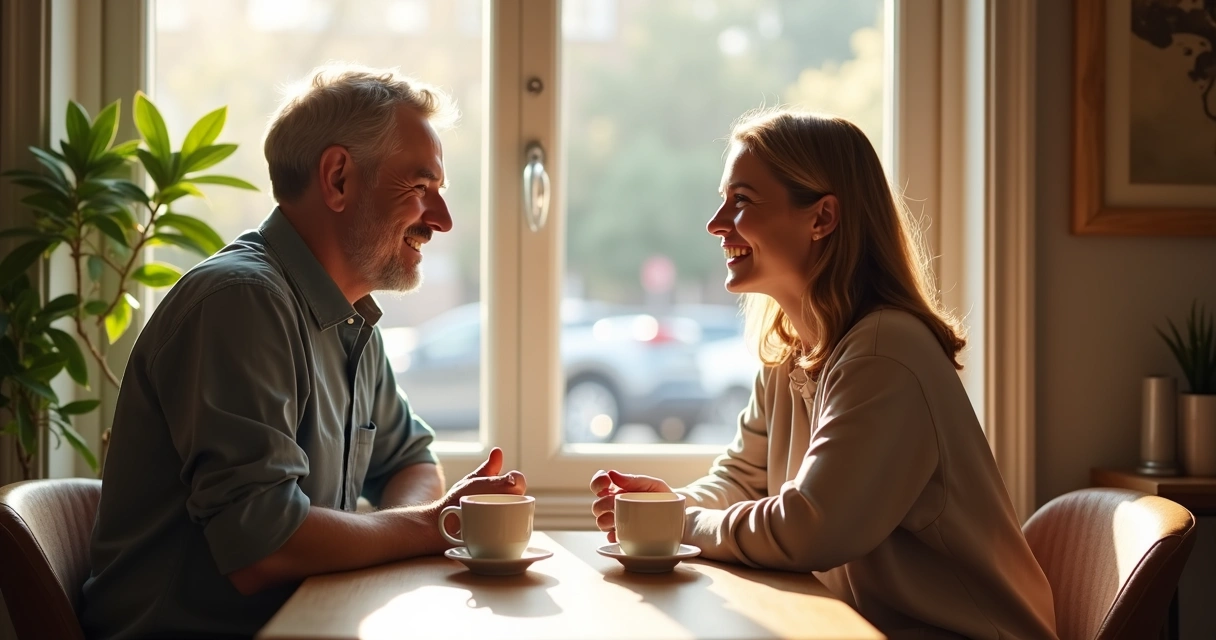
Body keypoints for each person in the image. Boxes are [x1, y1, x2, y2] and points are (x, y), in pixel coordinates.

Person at [80, 64, 526, 639]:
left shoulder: (350, 317)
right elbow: (261, 546)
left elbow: (411, 460)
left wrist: (410, 524)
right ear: (338, 178)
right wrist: (434, 526)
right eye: (420, 189)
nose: (440, 220)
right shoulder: (240, 302)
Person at [590, 109, 1057, 639]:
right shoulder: (790, 347)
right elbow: (744, 478)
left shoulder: (885, 353)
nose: (717, 223)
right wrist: (667, 508)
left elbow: (809, 529)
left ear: (822, 218)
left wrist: (682, 524)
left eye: (741, 201)